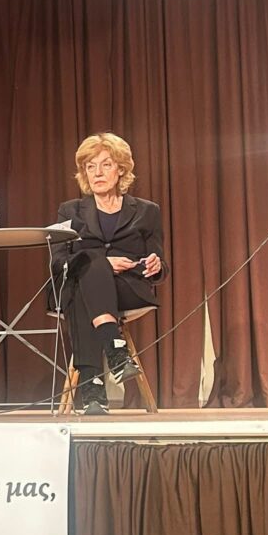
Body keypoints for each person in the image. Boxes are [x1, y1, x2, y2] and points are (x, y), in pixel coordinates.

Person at [52, 132, 168, 415]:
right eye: (90, 167)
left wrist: (156, 266)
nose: (97, 173)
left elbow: (160, 265)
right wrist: (103, 263)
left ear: (121, 169)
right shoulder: (70, 211)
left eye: (105, 165)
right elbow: (58, 261)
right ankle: (116, 352)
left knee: (88, 276)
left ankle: (93, 391)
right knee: (90, 266)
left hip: (127, 288)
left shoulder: (147, 211)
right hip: (79, 286)